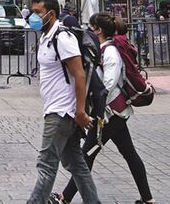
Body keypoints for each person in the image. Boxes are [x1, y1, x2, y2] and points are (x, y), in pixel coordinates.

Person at [58, 13, 154, 204]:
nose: (88, 31)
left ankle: (65, 198)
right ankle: (148, 199)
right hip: (115, 113)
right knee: (129, 153)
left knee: (86, 155)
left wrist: (90, 103)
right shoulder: (101, 49)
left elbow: (107, 86)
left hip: (110, 113)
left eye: (91, 27)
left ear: (98, 30)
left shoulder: (110, 52)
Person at [26, 0, 99, 204]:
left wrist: (80, 111)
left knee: (46, 165)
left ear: (51, 14)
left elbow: (79, 74)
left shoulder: (62, 38)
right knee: (76, 163)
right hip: (57, 109)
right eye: (33, 12)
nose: (34, 16)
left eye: (38, 12)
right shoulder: (46, 36)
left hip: (61, 113)